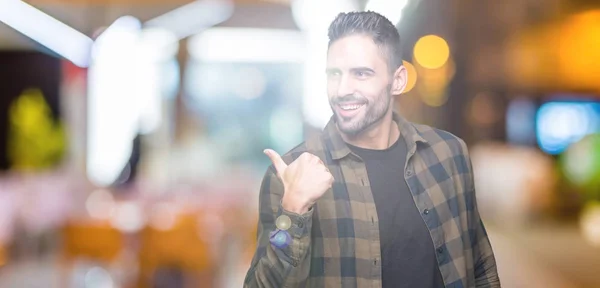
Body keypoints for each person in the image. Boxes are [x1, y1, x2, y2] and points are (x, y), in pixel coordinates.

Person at [244, 11, 500, 288]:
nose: (342, 89)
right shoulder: (292, 173)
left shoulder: (448, 154)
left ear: (398, 80)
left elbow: (480, 267)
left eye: (361, 74)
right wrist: (292, 210)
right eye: (334, 74)